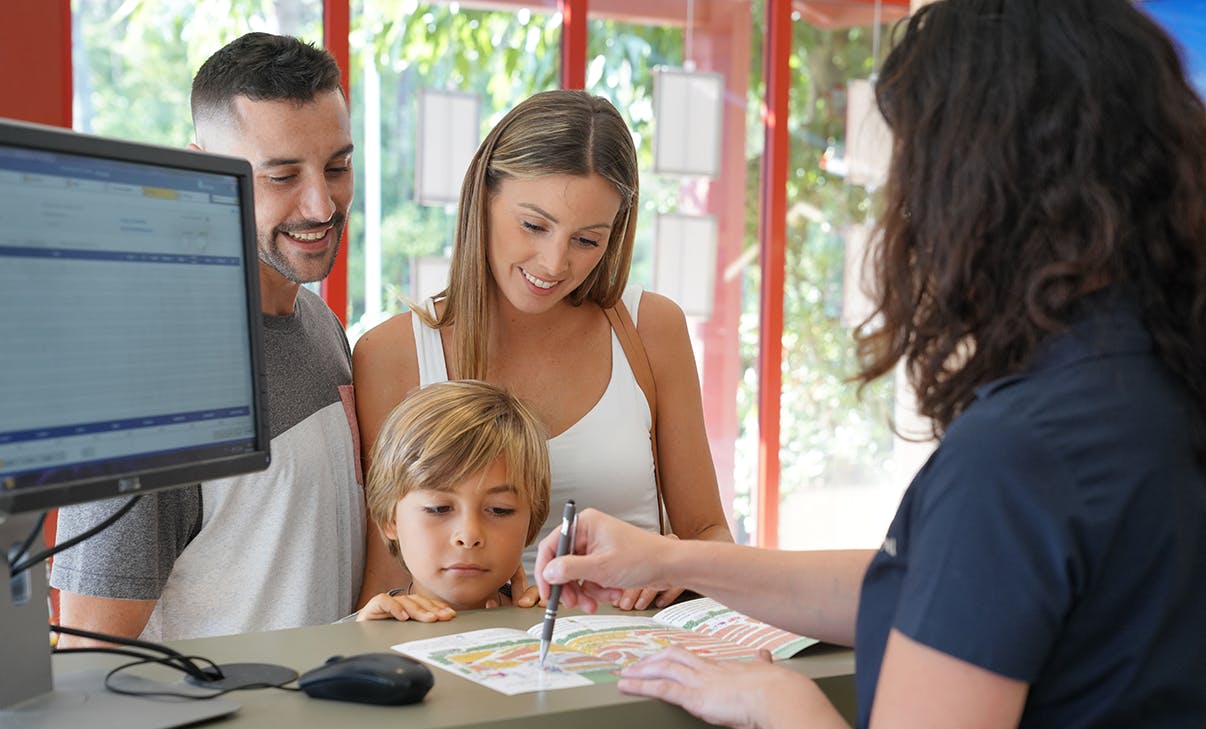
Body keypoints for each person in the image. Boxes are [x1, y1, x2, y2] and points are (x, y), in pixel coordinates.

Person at [536, 2, 1206, 727]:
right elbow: (937, 589)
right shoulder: (1155, 383)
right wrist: (674, 560)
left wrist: (781, 704)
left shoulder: (1018, 456)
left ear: (978, 187)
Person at [353, 89, 732, 612]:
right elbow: (389, 573)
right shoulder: (392, 354)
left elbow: (710, 533)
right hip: (470, 665)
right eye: (534, 225)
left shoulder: (651, 329)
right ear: (482, 199)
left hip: (641, 656)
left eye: (587, 240)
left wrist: (676, 562)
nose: (555, 264)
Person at [51, 32, 365, 643]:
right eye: (281, 176)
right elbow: (92, 652)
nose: (322, 204)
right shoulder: (152, 379)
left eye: (337, 167)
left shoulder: (323, 327)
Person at [350, 380, 549, 622]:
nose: (469, 535)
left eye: (499, 510)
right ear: (390, 518)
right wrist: (359, 645)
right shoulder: (362, 630)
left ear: (532, 521)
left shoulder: (552, 621)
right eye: (439, 508)